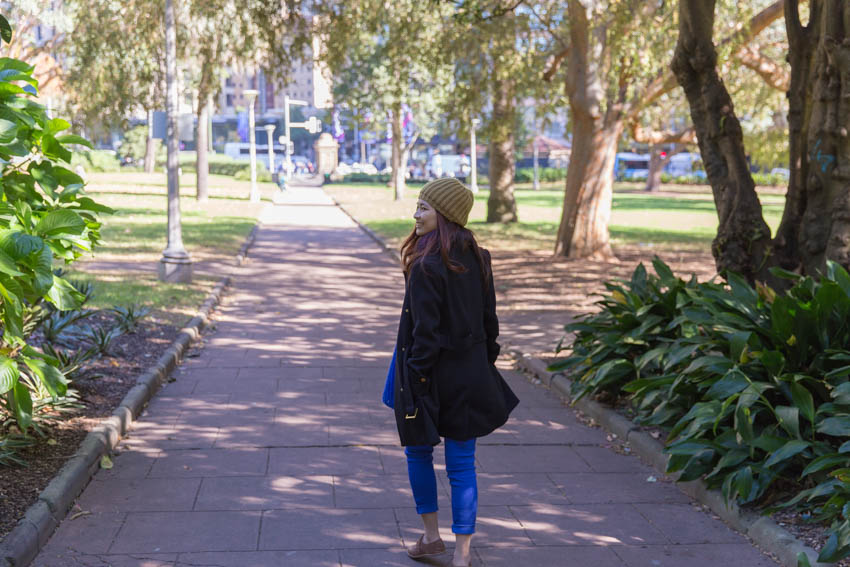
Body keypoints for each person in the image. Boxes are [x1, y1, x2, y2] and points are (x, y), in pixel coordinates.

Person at [390, 177, 519, 566]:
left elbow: (424, 336)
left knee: (418, 452)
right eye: (417, 205)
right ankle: (462, 557)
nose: (416, 214)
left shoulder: (426, 266)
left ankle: (431, 537)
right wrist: (481, 363)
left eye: (425, 208)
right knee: (462, 462)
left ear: (445, 215)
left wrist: (415, 380)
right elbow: (490, 323)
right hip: (471, 374)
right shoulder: (481, 256)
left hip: (428, 375)